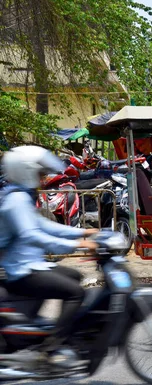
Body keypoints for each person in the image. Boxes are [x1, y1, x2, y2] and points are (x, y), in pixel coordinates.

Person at [0, 146, 98, 353]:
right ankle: (52, 345)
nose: (43, 179)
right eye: (40, 174)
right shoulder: (16, 200)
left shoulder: (20, 196)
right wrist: (77, 245)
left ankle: (45, 328)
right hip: (22, 270)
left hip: (31, 264)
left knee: (73, 275)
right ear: (25, 171)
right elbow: (32, 235)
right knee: (75, 293)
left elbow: (44, 226)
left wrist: (82, 234)